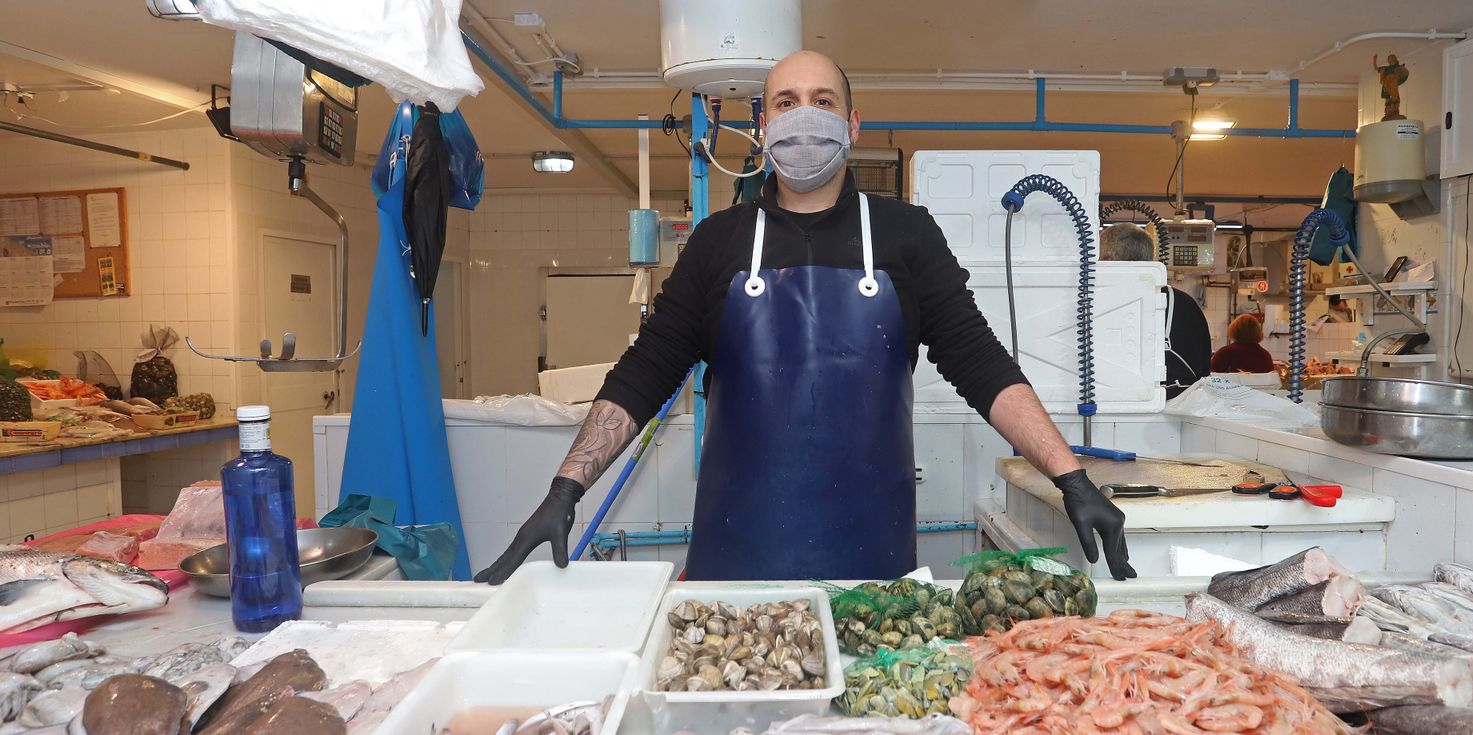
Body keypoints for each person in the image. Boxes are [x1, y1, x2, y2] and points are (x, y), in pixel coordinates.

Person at [475, 50, 1136, 584]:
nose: (804, 117)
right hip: (735, 571)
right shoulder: (718, 242)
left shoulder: (906, 234)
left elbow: (980, 362)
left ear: (853, 124)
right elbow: (644, 373)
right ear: (764, 126)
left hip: (874, 574)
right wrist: (566, 487)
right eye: (786, 103)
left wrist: (1069, 476)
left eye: (823, 102)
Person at [1099, 223, 1209, 397]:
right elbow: (1204, 371)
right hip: (1184, 412)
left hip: (1123, 410)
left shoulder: (1103, 303)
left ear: (1108, 260)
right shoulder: (1187, 304)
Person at [1210, 314, 1275, 374]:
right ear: (1258, 331)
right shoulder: (1265, 355)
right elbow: (1271, 380)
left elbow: (1210, 376)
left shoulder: (1224, 353)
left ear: (1234, 330)